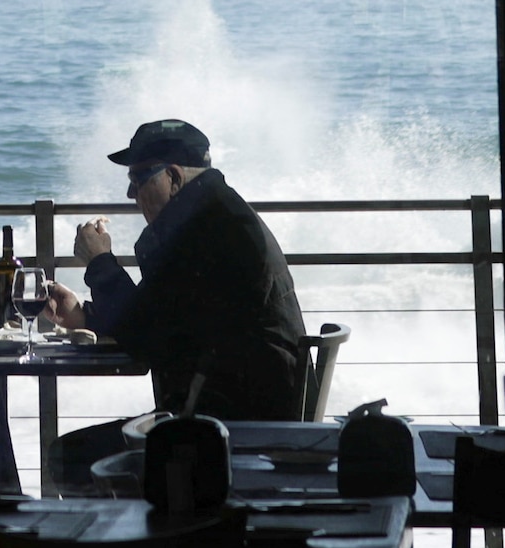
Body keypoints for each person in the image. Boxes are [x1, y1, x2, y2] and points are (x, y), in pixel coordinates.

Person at [44, 117, 312, 420]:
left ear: (173, 176)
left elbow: (147, 338)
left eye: (138, 179)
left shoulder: (207, 232)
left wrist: (99, 262)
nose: (131, 194)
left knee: (70, 448)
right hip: (242, 407)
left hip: (234, 423)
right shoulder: (214, 216)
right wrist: (83, 316)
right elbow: (159, 317)